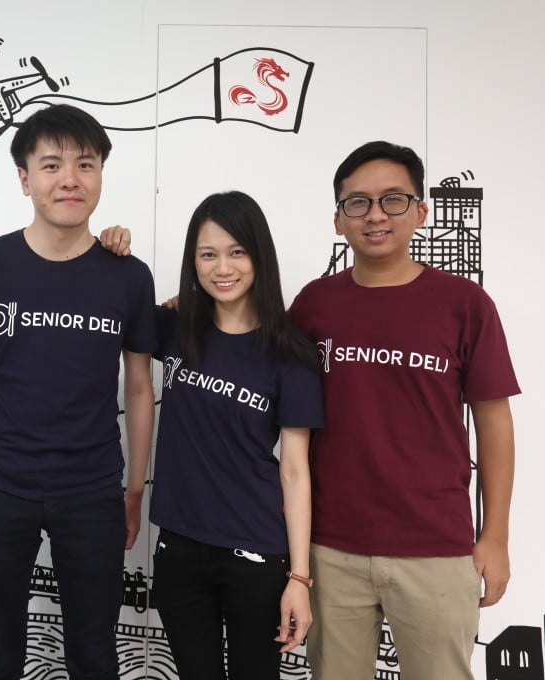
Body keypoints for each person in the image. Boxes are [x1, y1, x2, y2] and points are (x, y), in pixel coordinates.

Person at [288, 141, 520, 680]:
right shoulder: (314, 305)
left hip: (435, 546)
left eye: (393, 200)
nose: (375, 215)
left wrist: (496, 537)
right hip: (331, 547)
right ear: (338, 219)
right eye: (357, 203)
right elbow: (252, 357)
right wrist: (191, 307)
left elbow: (494, 424)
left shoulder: (465, 305)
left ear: (420, 211)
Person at [0, 104, 157, 680]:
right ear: (24, 179)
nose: (70, 178)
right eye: (51, 165)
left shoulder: (128, 274)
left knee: (94, 653)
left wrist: (133, 487)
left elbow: (139, 388)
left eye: (85, 164)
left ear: (100, 176)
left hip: (91, 488)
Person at [149, 191, 323, 680]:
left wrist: (299, 579)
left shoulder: (291, 355)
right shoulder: (175, 329)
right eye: (207, 254)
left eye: (236, 252)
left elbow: (294, 470)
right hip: (180, 550)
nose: (221, 267)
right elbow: (96, 306)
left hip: (256, 556)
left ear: (258, 256)